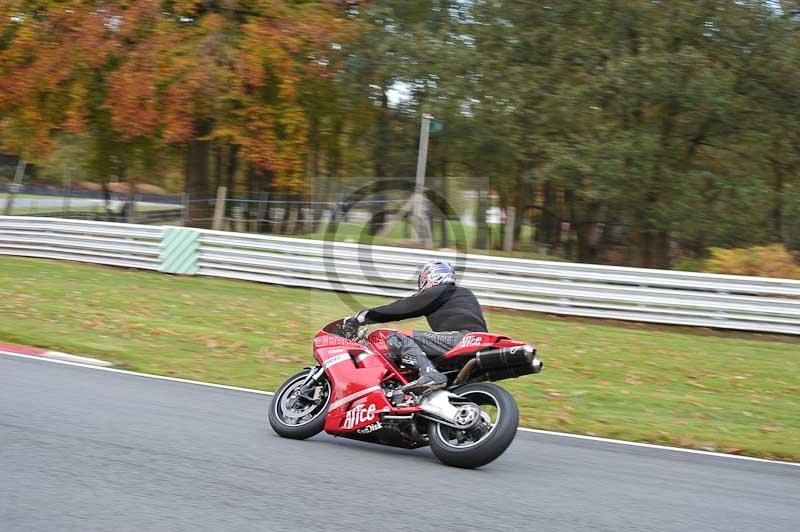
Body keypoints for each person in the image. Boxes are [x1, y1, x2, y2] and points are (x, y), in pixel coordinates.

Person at [343, 261, 487, 395]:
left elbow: (403, 307)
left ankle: (429, 374)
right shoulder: (461, 294)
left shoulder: (444, 291)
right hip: (473, 344)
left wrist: (362, 317)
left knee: (395, 338)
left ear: (431, 277)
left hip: (462, 339)